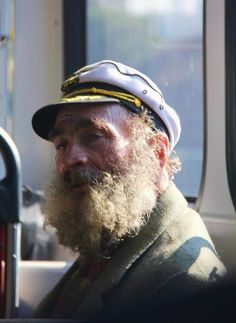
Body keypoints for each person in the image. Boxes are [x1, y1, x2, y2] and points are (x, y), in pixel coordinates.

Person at [31, 60, 226, 321]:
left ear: (156, 151)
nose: (70, 159)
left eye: (93, 137)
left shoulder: (184, 283)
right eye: (61, 145)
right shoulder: (115, 238)